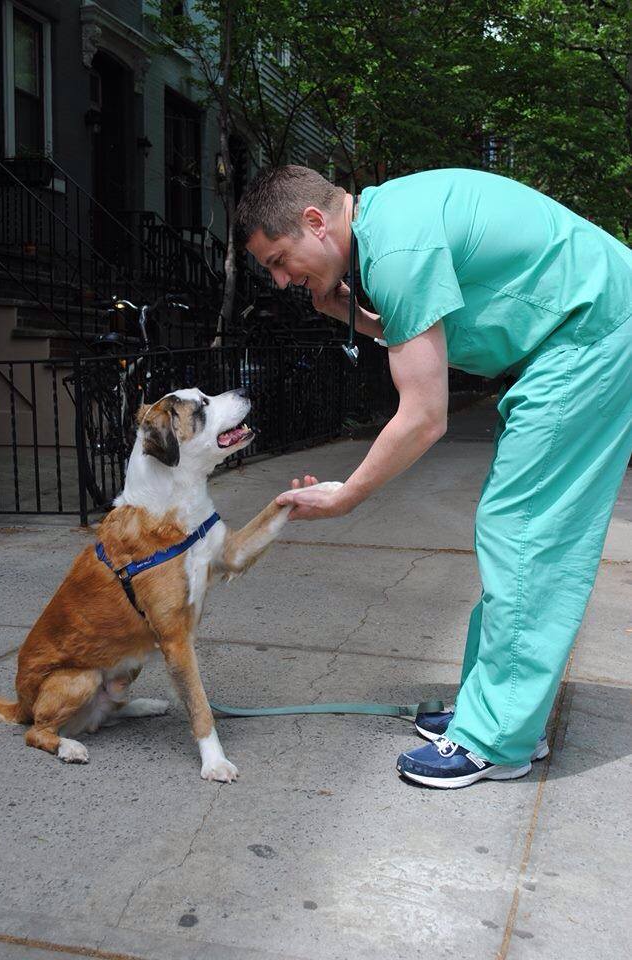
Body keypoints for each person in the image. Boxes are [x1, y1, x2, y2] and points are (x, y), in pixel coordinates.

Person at [234, 165, 632, 790]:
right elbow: (424, 335)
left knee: (524, 531)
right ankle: (496, 711)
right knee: (519, 531)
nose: (281, 280)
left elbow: (423, 417)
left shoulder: (395, 246)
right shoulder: (392, 222)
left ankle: (496, 738)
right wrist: (350, 313)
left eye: (280, 259)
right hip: (584, 333)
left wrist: (347, 494)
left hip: (592, 335)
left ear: (316, 222)